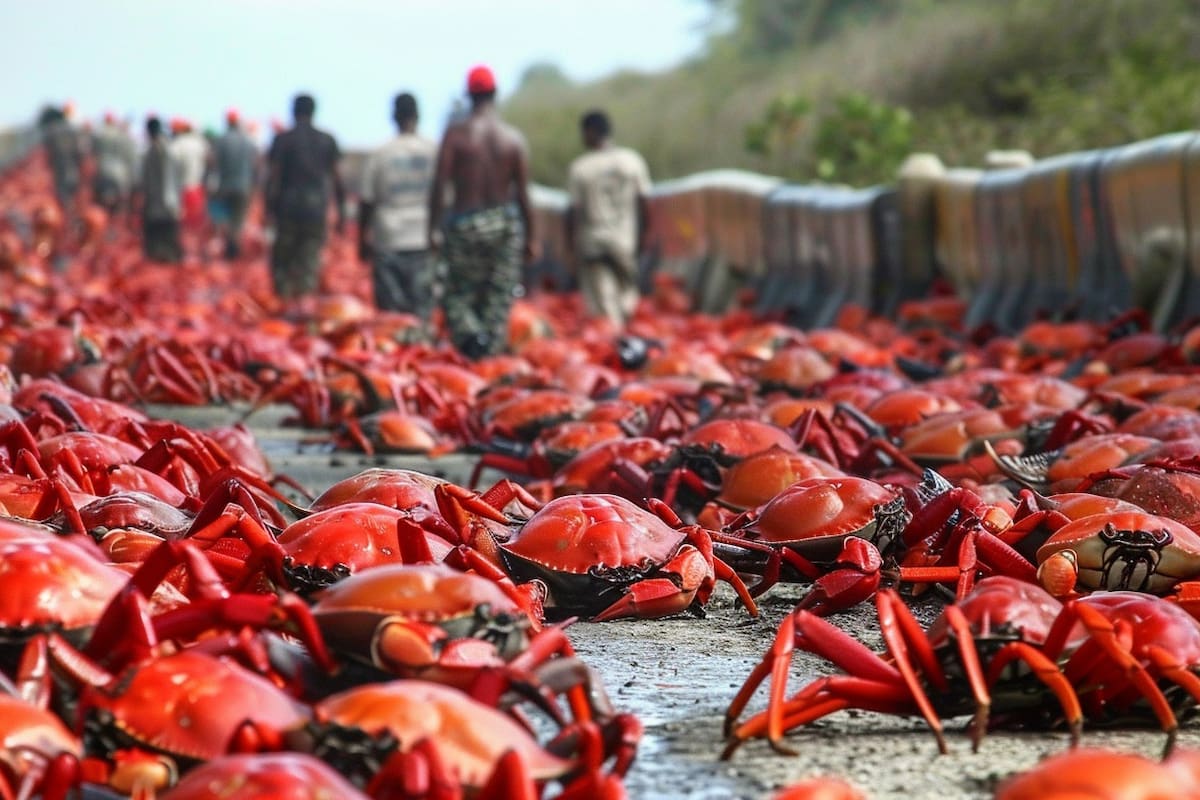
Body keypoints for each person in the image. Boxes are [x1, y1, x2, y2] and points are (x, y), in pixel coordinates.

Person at [428, 65, 537, 358]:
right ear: (495, 94)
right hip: (504, 224)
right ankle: (489, 348)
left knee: (458, 293)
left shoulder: (456, 135)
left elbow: (439, 184)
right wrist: (531, 238)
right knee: (499, 293)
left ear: (469, 95)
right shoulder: (512, 139)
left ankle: (471, 340)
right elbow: (524, 195)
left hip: (466, 222)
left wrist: (433, 229)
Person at [566, 110, 651, 329]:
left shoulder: (581, 168)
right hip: (624, 241)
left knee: (602, 305)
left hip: (593, 243)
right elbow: (645, 203)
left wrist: (570, 248)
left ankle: (614, 347)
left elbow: (573, 212)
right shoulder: (632, 161)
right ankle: (626, 344)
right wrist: (645, 237)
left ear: (590, 132)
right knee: (626, 297)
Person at [358, 93, 437, 319]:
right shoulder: (432, 151)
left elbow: (367, 200)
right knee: (420, 310)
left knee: (390, 316)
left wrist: (362, 239)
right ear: (418, 116)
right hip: (422, 238)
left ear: (393, 116)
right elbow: (444, 197)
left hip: (389, 239)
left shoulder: (381, 154)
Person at [265, 93, 344, 301]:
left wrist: (267, 209)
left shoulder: (282, 140)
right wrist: (342, 213)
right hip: (315, 208)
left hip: (287, 207)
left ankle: (283, 299)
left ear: (293, 111)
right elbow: (338, 179)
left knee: (283, 257)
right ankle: (303, 300)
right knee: (309, 257)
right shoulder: (327, 140)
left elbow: (273, 177)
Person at [211, 108, 258, 258]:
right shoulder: (247, 141)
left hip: (225, 186)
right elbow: (256, 163)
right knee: (238, 220)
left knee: (225, 219)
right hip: (243, 187)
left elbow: (213, 162)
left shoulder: (221, 140)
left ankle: (230, 249)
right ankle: (234, 249)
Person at [137, 116, 182, 263]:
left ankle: (163, 258)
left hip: (162, 201)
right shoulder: (161, 148)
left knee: (162, 234)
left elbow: (167, 177)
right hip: (163, 201)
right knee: (163, 234)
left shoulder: (159, 150)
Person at [169, 118, 210, 257]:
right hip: (197, 188)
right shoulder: (201, 144)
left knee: (183, 226)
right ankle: (196, 252)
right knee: (197, 225)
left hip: (182, 189)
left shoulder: (176, 145)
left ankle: (185, 253)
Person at [90, 111, 138, 218]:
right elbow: (131, 159)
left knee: (102, 209)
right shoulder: (123, 136)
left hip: (102, 174)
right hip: (121, 177)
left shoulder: (98, 135)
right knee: (119, 211)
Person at [39, 106, 84, 216]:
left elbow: (46, 149)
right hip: (71, 165)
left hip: (58, 165)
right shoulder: (75, 131)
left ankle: (64, 213)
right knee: (71, 191)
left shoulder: (53, 130)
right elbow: (80, 150)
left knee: (61, 192)